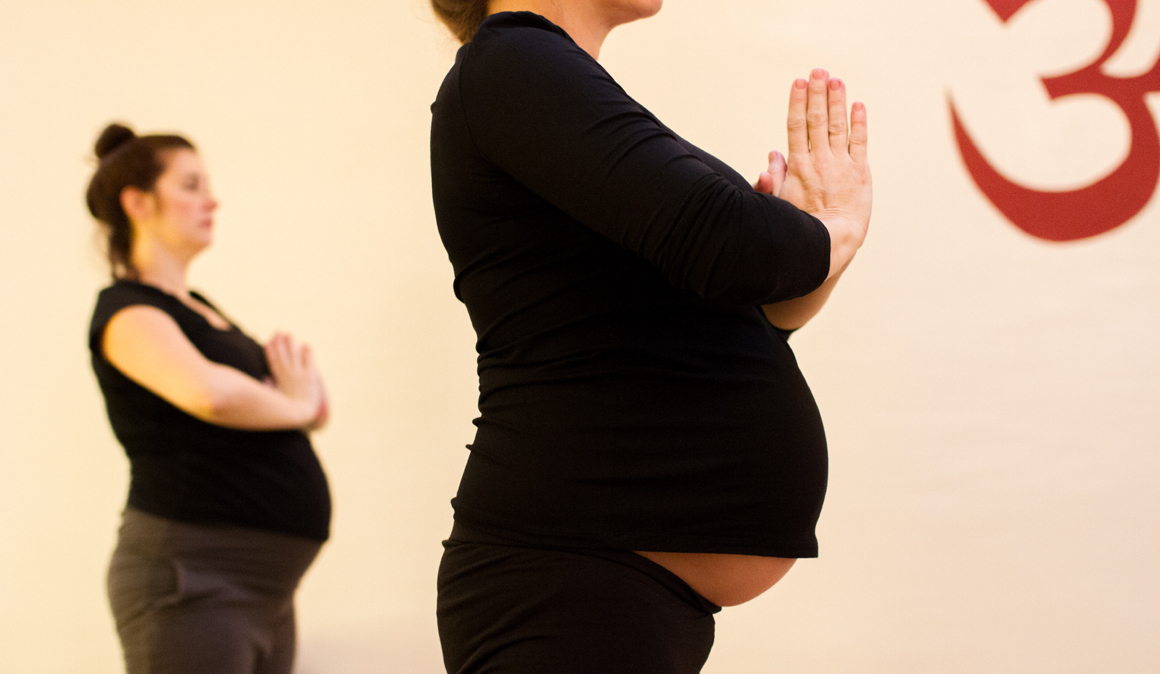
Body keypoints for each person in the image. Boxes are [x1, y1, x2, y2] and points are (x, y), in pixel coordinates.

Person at [429, 1, 872, 672]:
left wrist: (814, 243)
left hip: (608, 587)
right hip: (566, 581)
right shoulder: (514, 63)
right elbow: (739, 247)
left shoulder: (541, 78)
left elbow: (750, 303)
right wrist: (829, 226)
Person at [85, 123, 332, 674]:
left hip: (265, 589)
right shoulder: (128, 312)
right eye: (192, 185)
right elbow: (211, 395)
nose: (211, 200)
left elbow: (310, 403)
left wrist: (297, 403)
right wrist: (290, 405)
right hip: (194, 578)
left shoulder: (200, 309)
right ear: (137, 202)